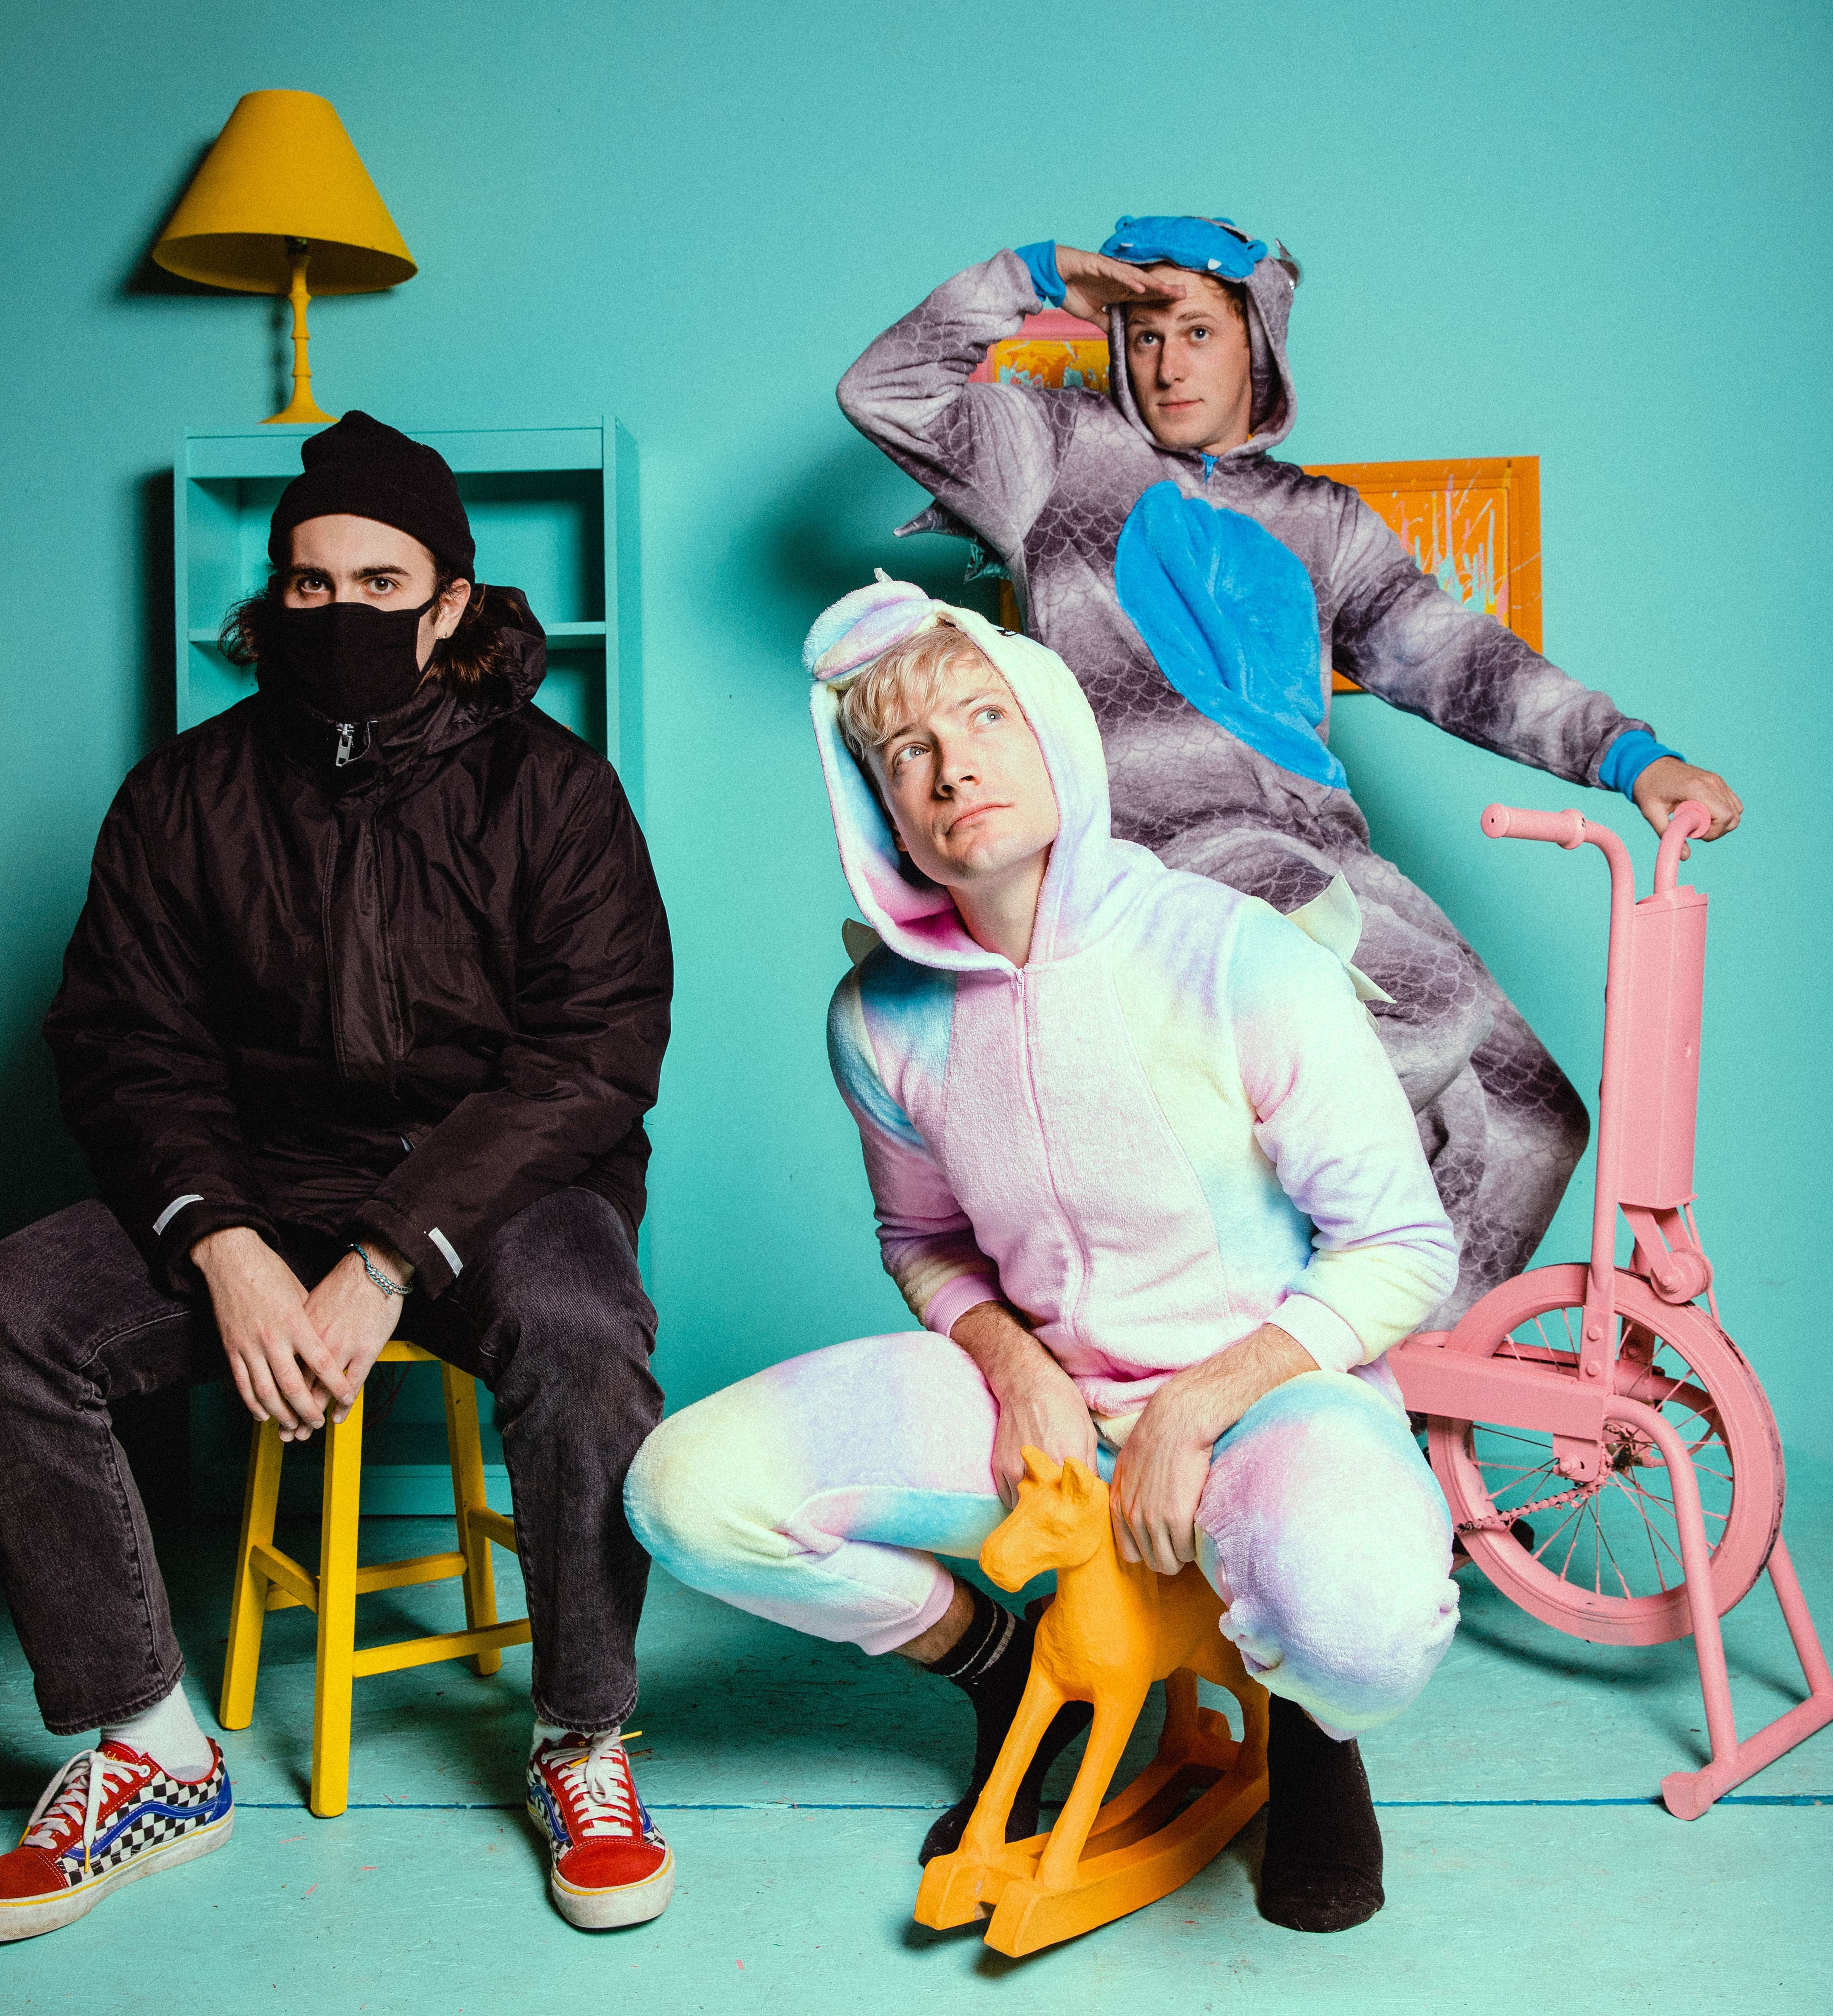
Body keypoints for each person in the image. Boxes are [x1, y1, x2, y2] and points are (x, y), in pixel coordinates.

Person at [627, 578, 1462, 1933]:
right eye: (906, 751)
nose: (953, 767)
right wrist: (1021, 1375)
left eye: (984, 719)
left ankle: (1312, 1735)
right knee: (687, 1496)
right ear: (878, 808)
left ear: (1057, 734)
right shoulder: (878, 1017)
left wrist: (1196, 1408)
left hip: (1268, 1401)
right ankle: (1004, 1671)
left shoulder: (1237, 959)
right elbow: (923, 1241)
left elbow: (1402, 1248)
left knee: (1363, 1631)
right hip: (1046, 1417)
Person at [0, 414, 674, 1940]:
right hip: (256, 1182)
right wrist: (222, 1241)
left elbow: (590, 1058)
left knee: (583, 1335)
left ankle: (583, 1735)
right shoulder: (181, 795)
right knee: (13, 1312)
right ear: (275, 594)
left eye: (381, 583)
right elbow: (124, 1043)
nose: (340, 611)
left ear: (449, 604)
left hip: (501, 1188)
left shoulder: (555, 791)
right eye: (310, 584)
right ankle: (147, 1749)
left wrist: (389, 1256)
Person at [835, 219, 1742, 1322]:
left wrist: (1630, 757)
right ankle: (1223, 1257)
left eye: (1197, 333)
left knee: (1533, 1117)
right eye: (1143, 334)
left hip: (1319, 852)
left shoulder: (1324, 522)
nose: (1166, 364)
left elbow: (1457, 656)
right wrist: (1032, 276)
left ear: (1257, 344)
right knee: (1424, 1006)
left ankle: (1396, 1374)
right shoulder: (1054, 454)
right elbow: (885, 393)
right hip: (1163, 857)